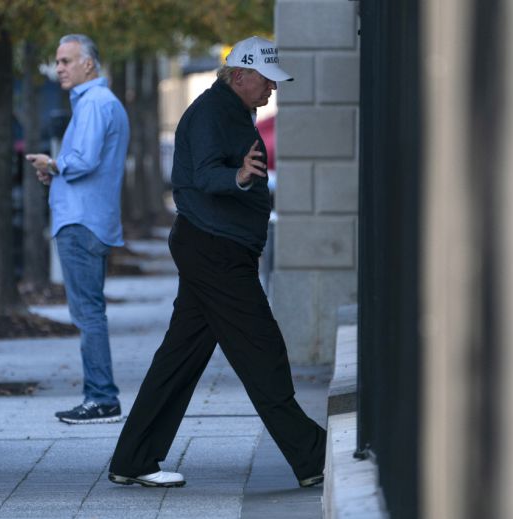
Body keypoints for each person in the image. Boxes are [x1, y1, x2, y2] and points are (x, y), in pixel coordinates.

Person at [107, 36, 326, 489]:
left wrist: (240, 180)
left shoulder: (232, 110)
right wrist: (240, 176)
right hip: (215, 251)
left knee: (180, 358)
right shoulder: (211, 112)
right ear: (241, 75)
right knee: (260, 350)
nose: (273, 90)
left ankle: (133, 458)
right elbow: (202, 174)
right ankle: (312, 457)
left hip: (216, 249)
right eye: (267, 81)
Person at [26, 34, 129, 425]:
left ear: (90, 64)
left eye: (67, 61)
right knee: (90, 312)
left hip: (81, 223)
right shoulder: (103, 104)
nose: (59, 69)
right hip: (91, 219)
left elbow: (82, 160)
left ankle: (102, 398)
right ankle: (100, 396)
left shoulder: (95, 104)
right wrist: (59, 174)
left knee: (88, 314)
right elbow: (92, 164)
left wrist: (54, 165)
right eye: (57, 62)